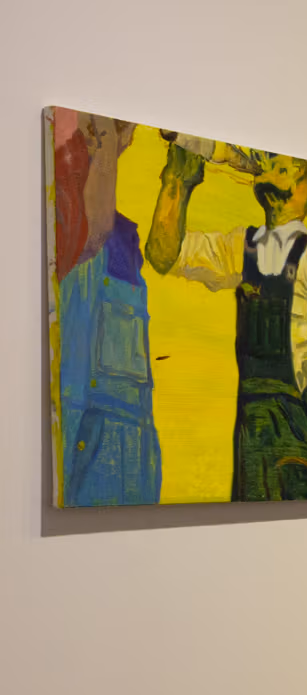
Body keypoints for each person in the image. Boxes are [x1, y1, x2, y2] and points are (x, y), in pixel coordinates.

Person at [146, 135, 307, 501]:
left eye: (280, 162)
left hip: (297, 425)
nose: (266, 162)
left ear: (304, 181)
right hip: (250, 427)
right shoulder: (239, 248)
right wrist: (176, 180)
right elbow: (164, 254)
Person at [50, 111, 163, 506]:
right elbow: (90, 233)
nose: (97, 140)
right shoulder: (62, 223)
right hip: (80, 426)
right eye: (90, 129)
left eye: (107, 130)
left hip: (126, 441)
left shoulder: (126, 240)